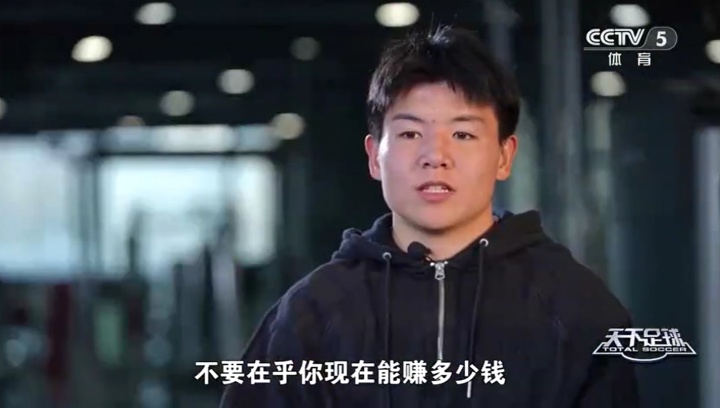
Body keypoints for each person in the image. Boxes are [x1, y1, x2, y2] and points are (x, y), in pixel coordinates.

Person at [220, 25, 638, 407]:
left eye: (463, 134)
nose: (436, 156)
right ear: (374, 156)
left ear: (504, 156)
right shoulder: (311, 313)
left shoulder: (575, 307)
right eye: (410, 133)